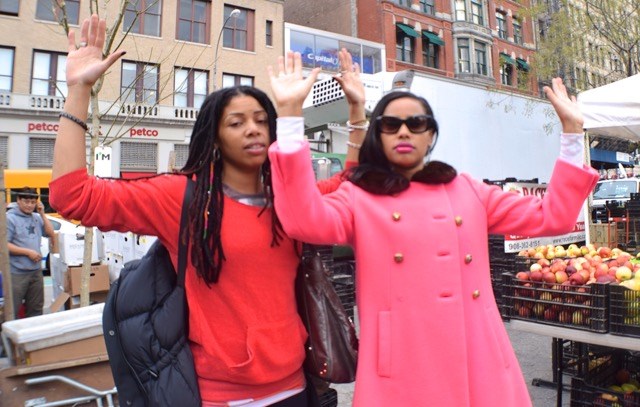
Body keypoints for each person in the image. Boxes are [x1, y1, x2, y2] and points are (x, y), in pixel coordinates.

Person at [49, 14, 365, 406]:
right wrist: (79, 89)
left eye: (262, 120)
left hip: (297, 389)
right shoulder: (181, 197)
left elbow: (352, 185)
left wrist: (356, 111)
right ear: (213, 137)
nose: (253, 129)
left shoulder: (293, 200)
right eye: (237, 122)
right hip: (221, 396)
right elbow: (72, 196)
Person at [267, 52, 599, 406]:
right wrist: (289, 116)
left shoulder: (467, 189)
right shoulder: (359, 196)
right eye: (391, 125)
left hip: (479, 358)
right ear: (377, 136)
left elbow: (554, 216)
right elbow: (304, 219)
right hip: (403, 368)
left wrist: (572, 134)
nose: (405, 131)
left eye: (417, 123)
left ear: (431, 135)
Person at [7, 187, 55, 318]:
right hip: (16, 273)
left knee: (36, 310)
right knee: (12, 311)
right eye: (26, 201)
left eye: (33, 202)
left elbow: (50, 233)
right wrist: (27, 252)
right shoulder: (9, 218)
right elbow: (4, 245)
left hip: (35, 272)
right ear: (18, 200)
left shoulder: (36, 217)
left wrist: (42, 214)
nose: (29, 205)